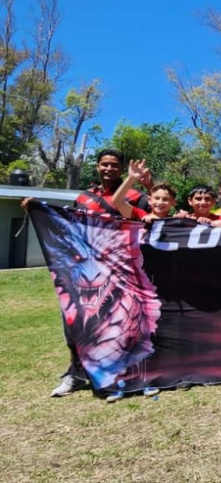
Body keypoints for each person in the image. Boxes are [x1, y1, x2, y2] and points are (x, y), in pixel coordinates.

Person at [50, 148, 151, 397]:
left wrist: (149, 184)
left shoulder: (135, 195)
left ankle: (130, 375)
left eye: (114, 165)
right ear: (97, 167)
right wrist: (35, 208)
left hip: (123, 270)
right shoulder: (84, 198)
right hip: (85, 270)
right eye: (104, 164)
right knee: (78, 323)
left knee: (124, 325)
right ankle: (77, 374)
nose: (109, 169)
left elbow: (155, 214)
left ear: (121, 168)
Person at [110, 160, 177, 222]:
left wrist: (184, 217)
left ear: (173, 202)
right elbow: (117, 201)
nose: (160, 202)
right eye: (156, 198)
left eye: (165, 199)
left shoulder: (175, 220)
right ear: (149, 200)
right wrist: (131, 179)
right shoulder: (140, 215)